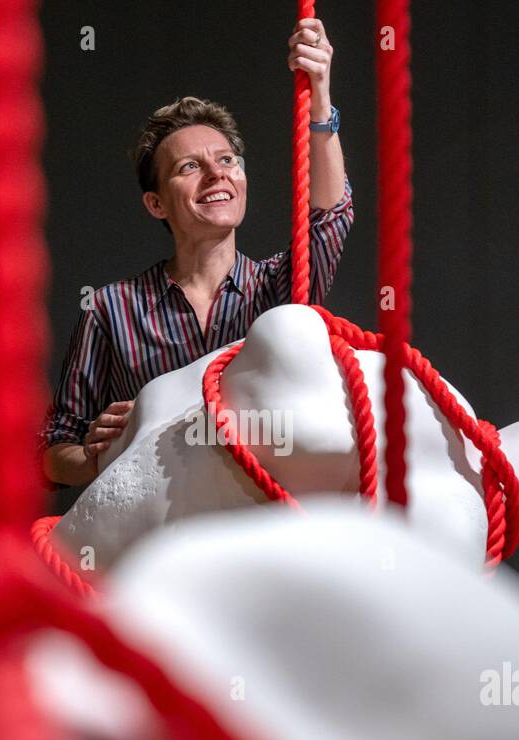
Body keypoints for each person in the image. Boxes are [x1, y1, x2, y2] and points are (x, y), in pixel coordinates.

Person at [40, 17, 354, 488]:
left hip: (263, 524)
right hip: (160, 539)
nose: (217, 174)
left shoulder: (281, 289)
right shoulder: (110, 309)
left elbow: (329, 217)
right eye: (191, 166)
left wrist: (321, 95)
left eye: (227, 160)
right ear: (156, 203)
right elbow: (53, 451)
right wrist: (97, 457)